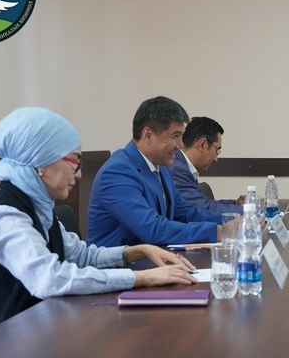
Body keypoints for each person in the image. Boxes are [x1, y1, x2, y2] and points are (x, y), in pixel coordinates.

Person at [0, 107, 198, 342]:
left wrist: (138, 251)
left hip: (33, 334)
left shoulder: (39, 208)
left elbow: (81, 256)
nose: (78, 174)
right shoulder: (3, 216)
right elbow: (49, 279)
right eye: (75, 161)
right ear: (42, 162)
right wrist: (141, 277)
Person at [88, 96, 223, 247]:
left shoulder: (162, 167)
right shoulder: (117, 172)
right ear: (148, 135)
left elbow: (186, 213)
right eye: (175, 136)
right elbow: (153, 229)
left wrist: (232, 221)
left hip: (155, 258)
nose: (180, 145)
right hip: (120, 261)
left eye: (181, 137)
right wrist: (217, 232)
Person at [171, 116, 245, 214]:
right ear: (202, 144)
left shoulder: (183, 165)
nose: (216, 159)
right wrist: (249, 211)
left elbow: (204, 204)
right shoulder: (178, 169)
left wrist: (236, 204)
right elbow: (204, 209)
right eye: (216, 150)